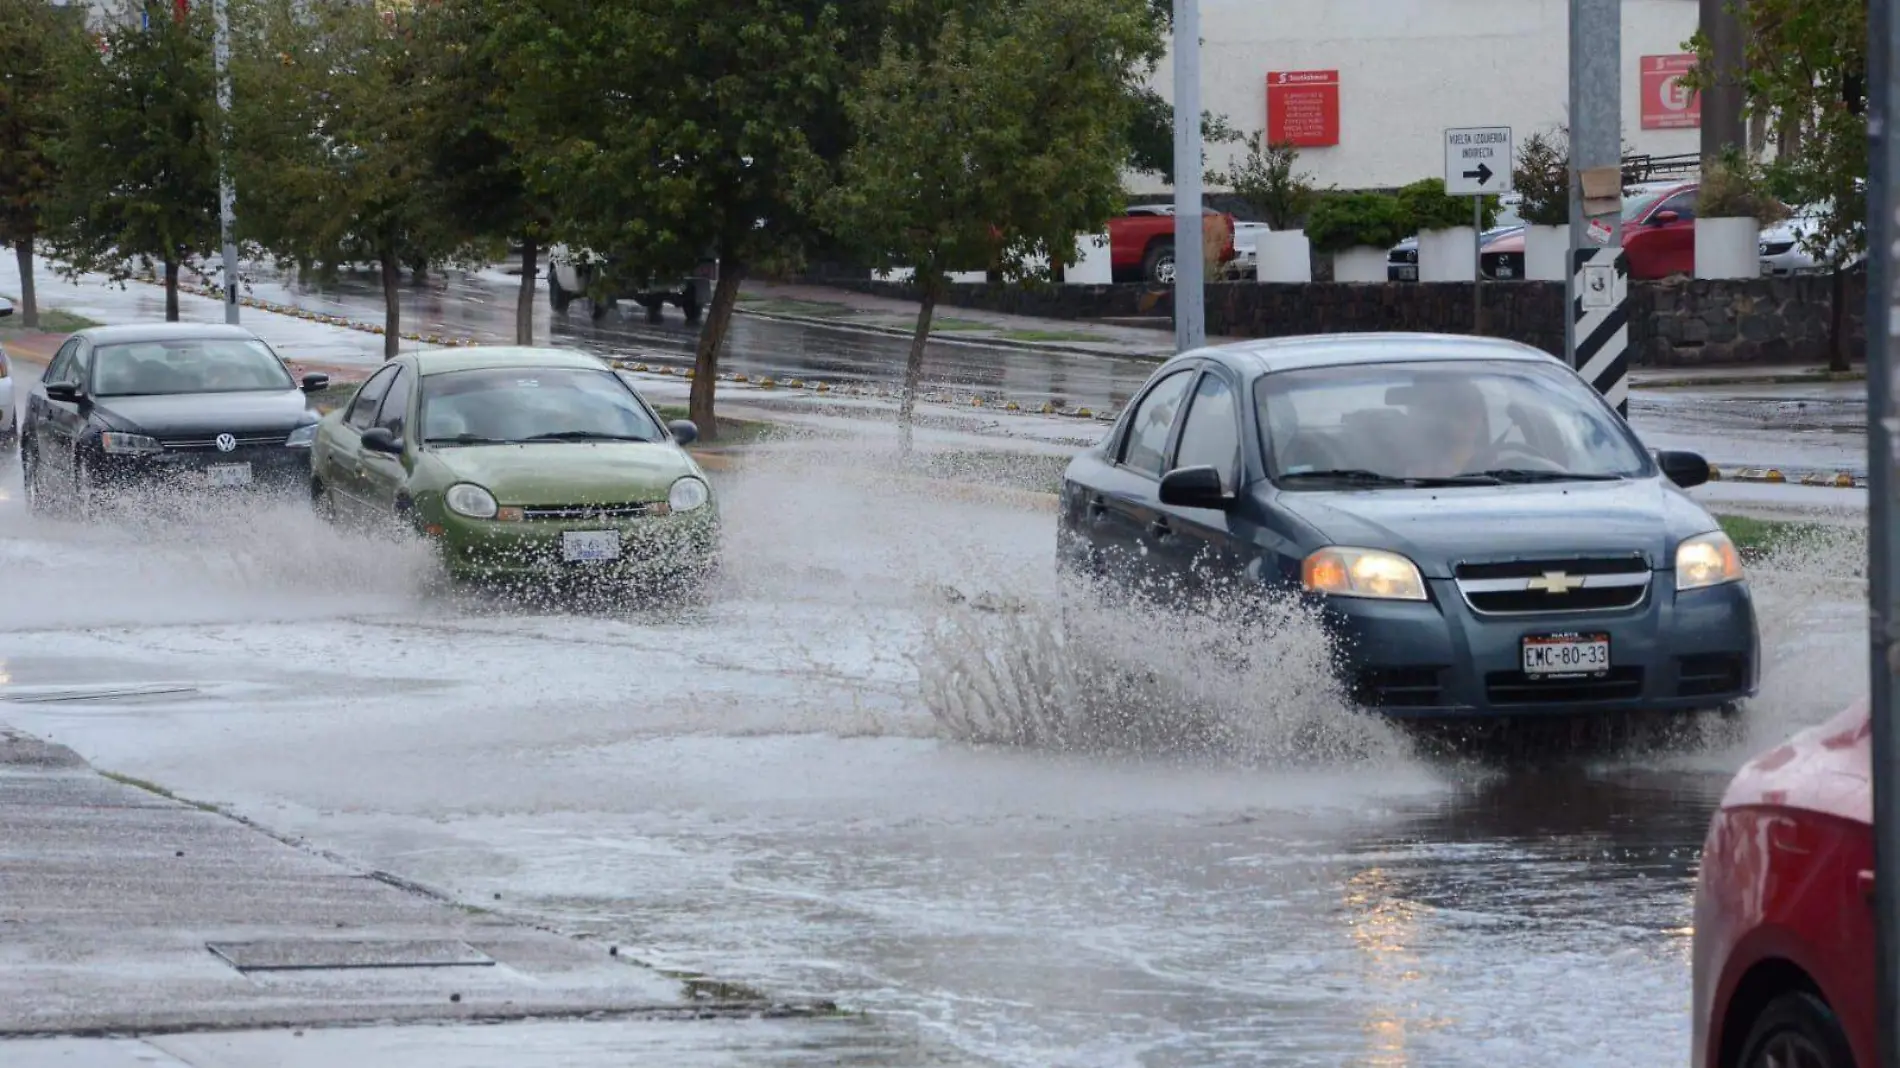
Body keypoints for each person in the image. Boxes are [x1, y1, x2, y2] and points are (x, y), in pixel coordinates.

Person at [1400, 377, 1491, 478]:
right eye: (1462, 413)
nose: (1472, 420)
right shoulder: (1422, 465)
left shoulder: (1497, 465)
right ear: (1445, 418)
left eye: (1476, 412)